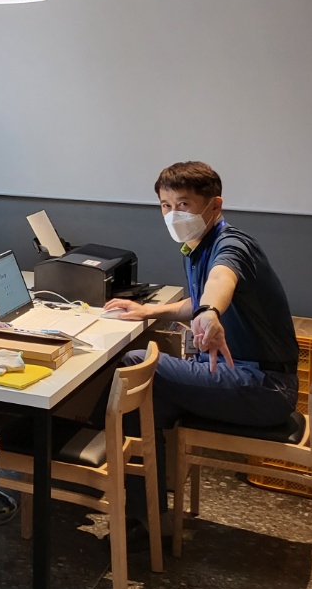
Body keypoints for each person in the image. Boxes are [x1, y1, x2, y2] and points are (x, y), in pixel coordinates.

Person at [105, 161, 299, 533]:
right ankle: (148, 516)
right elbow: (196, 301)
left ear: (215, 205)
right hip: (250, 378)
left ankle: (124, 499)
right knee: (147, 403)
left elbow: (219, 282)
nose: (173, 214)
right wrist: (151, 311)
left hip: (263, 387)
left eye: (184, 204)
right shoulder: (198, 246)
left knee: (135, 365)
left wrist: (210, 312)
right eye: (165, 205)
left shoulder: (231, 244)